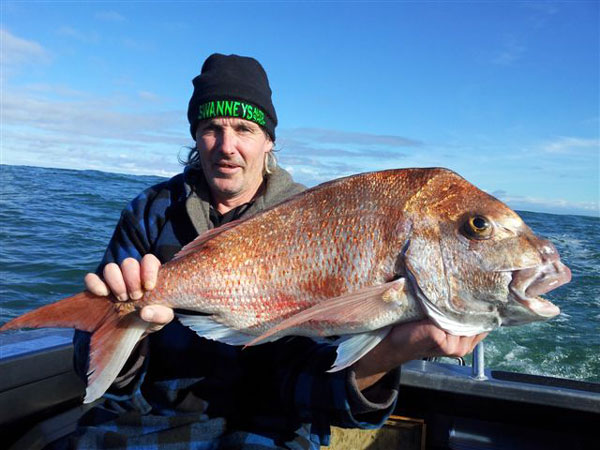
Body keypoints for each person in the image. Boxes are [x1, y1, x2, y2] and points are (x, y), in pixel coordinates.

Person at [67, 53, 486, 449]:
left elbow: (324, 383)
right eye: (212, 127)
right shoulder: (150, 212)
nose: (226, 145)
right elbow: (111, 381)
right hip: (150, 419)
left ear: (268, 140)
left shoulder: (321, 217)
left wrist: (396, 350)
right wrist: (134, 328)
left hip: (275, 424)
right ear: (196, 135)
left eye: (245, 129)